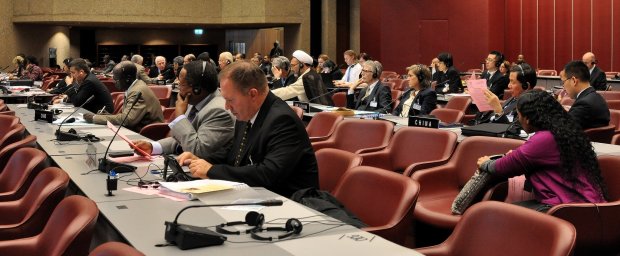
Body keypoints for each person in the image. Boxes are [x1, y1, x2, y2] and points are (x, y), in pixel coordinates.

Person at [177, 61, 318, 197]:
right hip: (256, 196)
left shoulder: (282, 120)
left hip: (289, 204)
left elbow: (267, 173)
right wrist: (201, 160)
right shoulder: (248, 112)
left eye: (230, 100)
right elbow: (233, 152)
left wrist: (211, 170)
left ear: (252, 94)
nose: (226, 107)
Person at [477, 90, 608, 212]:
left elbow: (502, 167)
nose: (518, 119)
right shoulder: (565, 131)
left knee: (496, 213)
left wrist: (486, 163)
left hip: (566, 208)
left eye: (519, 115)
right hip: (584, 203)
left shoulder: (543, 139)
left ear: (527, 118)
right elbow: (524, 158)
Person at [133, 60, 235, 160]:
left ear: (197, 89)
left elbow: (197, 150)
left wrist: (180, 117)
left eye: (181, 85)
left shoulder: (219, 111)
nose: (178, 90)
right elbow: (183, 139)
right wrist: (153, 147)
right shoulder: (195, 101)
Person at [83, 61, 164, 132]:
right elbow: (128, 117)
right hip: (137, 128)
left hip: (146, 134)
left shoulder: (136, 91)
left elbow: (127, 120)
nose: (114, 82)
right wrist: (108, 116)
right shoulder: (135, 86)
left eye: (116, 79)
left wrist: (95, 118)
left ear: (128, 79)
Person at [561, 60, 610, 129]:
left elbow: (563, 130)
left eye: (563, 82)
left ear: (574, 80)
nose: (563, 88)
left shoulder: (584, 104)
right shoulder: (597, 97)